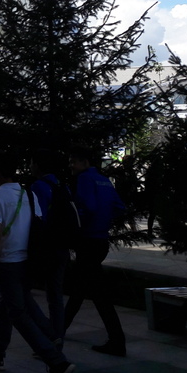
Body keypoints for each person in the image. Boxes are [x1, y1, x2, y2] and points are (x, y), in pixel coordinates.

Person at [0, 151, 74, 373]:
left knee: (17, 312)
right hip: (28, 260)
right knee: (14, 303)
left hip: (9, 261)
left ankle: (56, 362)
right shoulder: (28, 193)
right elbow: (36, 225)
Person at [64, 146, 128, 356]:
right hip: (101, 240)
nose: (71, 166)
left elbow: (87, 207)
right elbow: (119, 207)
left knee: (94, 293)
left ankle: (117, 340)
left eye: (74, 161)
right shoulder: (103, 180)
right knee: (83, 289)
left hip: (88, 241)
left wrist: (78, 224)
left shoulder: (84, 179)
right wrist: (103, 220)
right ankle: (58, 330)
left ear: (85, 162)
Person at [29, 149, 71, 342]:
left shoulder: (38, 186)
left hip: (46, 246)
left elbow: (39, 218)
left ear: (38, 166)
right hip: (62, 244)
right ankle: (57, 336)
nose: (30, 166)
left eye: (31, 163)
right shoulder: (62, 185)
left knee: (22, 293)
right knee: (56, 295)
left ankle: (51, 335)